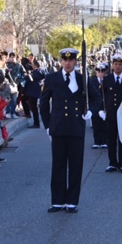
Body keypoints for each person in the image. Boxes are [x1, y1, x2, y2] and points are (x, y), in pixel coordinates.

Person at [40, 48, 100, 213]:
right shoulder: (51, 78)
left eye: (71, 60)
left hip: (76, 127)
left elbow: (97, 98)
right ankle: (57, 200)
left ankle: (72, 201)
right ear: (61, 61)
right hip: (58, 127)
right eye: (65, 60)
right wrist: (47, 125)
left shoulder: (82, 79)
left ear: (75, 62)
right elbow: (43, 103)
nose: (67, 63)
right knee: (58, 165)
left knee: (75, 165)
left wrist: (91, 111)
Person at [100, 54, 122, 173]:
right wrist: (101, 110)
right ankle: (112, 162)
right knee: (111, 139)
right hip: (111, 114)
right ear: (112, 65)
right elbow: (102, 95)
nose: (118, 67)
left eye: (120, 64)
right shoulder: (107, 79)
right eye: (116, 64)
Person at [91, 63, 108, 148]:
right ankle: (97, 141)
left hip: (105, 106)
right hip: (96, 106)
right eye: (99, 71)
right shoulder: (92, 82)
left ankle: (104, 140)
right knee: (96, 124)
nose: (100, 73)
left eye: (102, 71)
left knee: (104, 124)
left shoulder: (107, 81)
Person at [25, 59, 45, 129]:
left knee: (33, 107)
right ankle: (36, 122)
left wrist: (27, 75)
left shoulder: (36, 72)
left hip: (33, 92)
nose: (31, 65)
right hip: (37, 91)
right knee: (33, 107)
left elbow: (29, 78)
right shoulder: (41, 71)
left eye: (33, 64)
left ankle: (36, 123)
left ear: (35, 65)